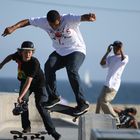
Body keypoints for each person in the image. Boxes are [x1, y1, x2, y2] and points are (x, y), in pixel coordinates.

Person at [2, 10, 96, 115]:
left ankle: (82, 103)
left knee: (72, 70)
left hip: (76, 50)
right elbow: (27, 22)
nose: (54, 28)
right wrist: (13, 27)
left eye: (56, 25)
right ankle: (54, 97)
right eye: (52, 26)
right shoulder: (43, 21)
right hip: (60, 52)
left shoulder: (68, 19)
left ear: (60, 19)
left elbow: (81, 17)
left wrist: (88, 17)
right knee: (48, 67)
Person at [0, 41, 61, 140]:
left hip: (39, 84)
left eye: (30, 52)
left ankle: (52, 131)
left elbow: (29, 82)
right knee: (23, 104)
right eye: (26, 52)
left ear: (32, 52)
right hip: (25, 82)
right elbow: (10, 57)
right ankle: (26, 127)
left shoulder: (34, 62)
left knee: (41, 105)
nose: (28, 54)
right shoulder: (17, 56)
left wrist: (19, 96)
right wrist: (2, 64)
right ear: (21, 52)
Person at [95, 41, 129, 125]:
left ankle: (115, 119)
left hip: (113, 85)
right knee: (99, 100)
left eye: (116, 48)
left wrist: (121, 49)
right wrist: (107, 52)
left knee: (104, 101)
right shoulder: (111, 57)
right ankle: (96, 118)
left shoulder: (125, 57)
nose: (114, 49)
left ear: (120, 48)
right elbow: (102, 64)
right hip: (107, 84)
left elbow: (123, 60)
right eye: (114, 47)